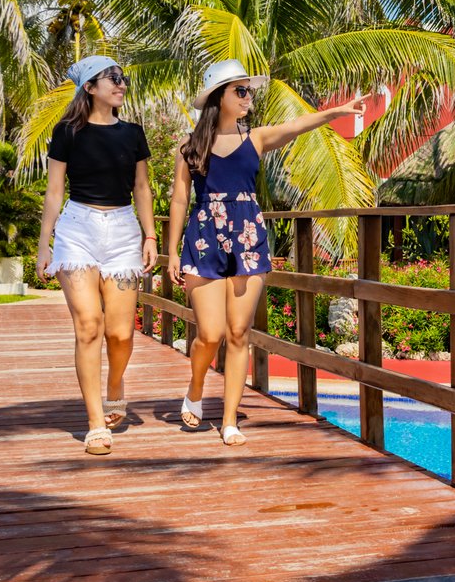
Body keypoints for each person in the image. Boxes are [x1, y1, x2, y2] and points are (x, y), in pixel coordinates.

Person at [166, 59, 364, 445]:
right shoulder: (189, 149)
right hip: (204, 236)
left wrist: (337, 112)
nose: (247, 97)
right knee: (210, 333)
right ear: (218, 98)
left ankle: (228, 421)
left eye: (248, 91)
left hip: (247, 236)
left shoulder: (255, 138)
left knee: (239, 332)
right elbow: (178, 200)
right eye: (240, 90)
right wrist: (172, 252)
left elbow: (296, 127)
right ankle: (194, 389)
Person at [36, 55, 156, 455]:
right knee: (89, 324)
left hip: (123, 231)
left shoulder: (133, 133)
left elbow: (142, 188)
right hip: (78, 229)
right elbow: (55, 192)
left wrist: (150, 235)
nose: (121, 84)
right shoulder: (67, 131)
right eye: (112, 79)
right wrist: (44, 244)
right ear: (89, 87)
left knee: (120, 333)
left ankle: (116, 385)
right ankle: (94, 423)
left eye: (122, 77)